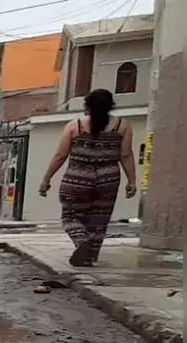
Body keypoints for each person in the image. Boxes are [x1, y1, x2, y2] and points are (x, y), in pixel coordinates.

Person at [38, 88, 136, 267]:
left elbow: (60, 155)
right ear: (110, 106)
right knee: (100, 218)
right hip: (108, 179)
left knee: (70, 216)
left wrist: (46, 179)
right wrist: (132, 180)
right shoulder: (122, 126)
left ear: (87, 106)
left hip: (77, 179)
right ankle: (89, 257)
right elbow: (126, 155)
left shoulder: (75, 125)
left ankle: (82, 241)